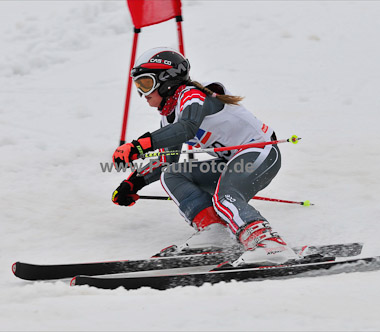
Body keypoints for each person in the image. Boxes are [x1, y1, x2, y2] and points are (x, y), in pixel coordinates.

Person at [111, 47, 298, 266]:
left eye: (145, 84)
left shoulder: (192, 96)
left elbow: (187, 127)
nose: (143, 94)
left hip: (261, 153)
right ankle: (213, 231)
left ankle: (269, 245)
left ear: (167, 80)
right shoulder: (169, 117)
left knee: (225, 196)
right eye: (138, 87)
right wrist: (133, 183)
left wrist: (139, 145)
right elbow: (166, 161)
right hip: (232, 161)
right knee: (172, 174)